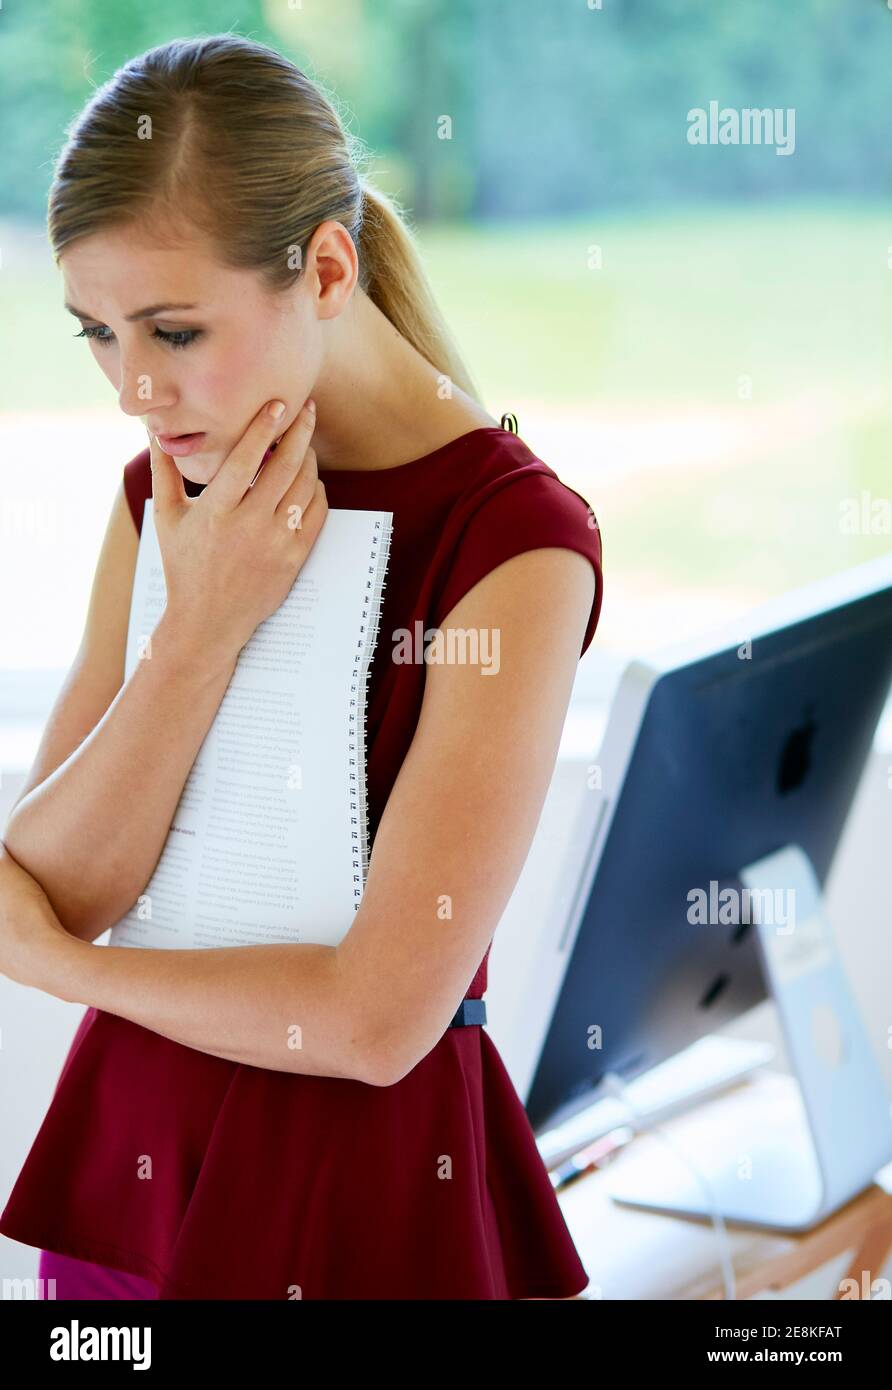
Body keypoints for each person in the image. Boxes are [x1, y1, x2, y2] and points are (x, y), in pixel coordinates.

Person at [0, 33, 603, 1300]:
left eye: (171, 328)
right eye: (97, 335)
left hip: (361, 1201)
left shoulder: (516, 544)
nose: (134, 389)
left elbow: (376, 1022)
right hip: (133, 1191)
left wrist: (69, 974)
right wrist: (201, 629)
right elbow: (55, 878)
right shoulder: (164, 492)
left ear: (326, 268)